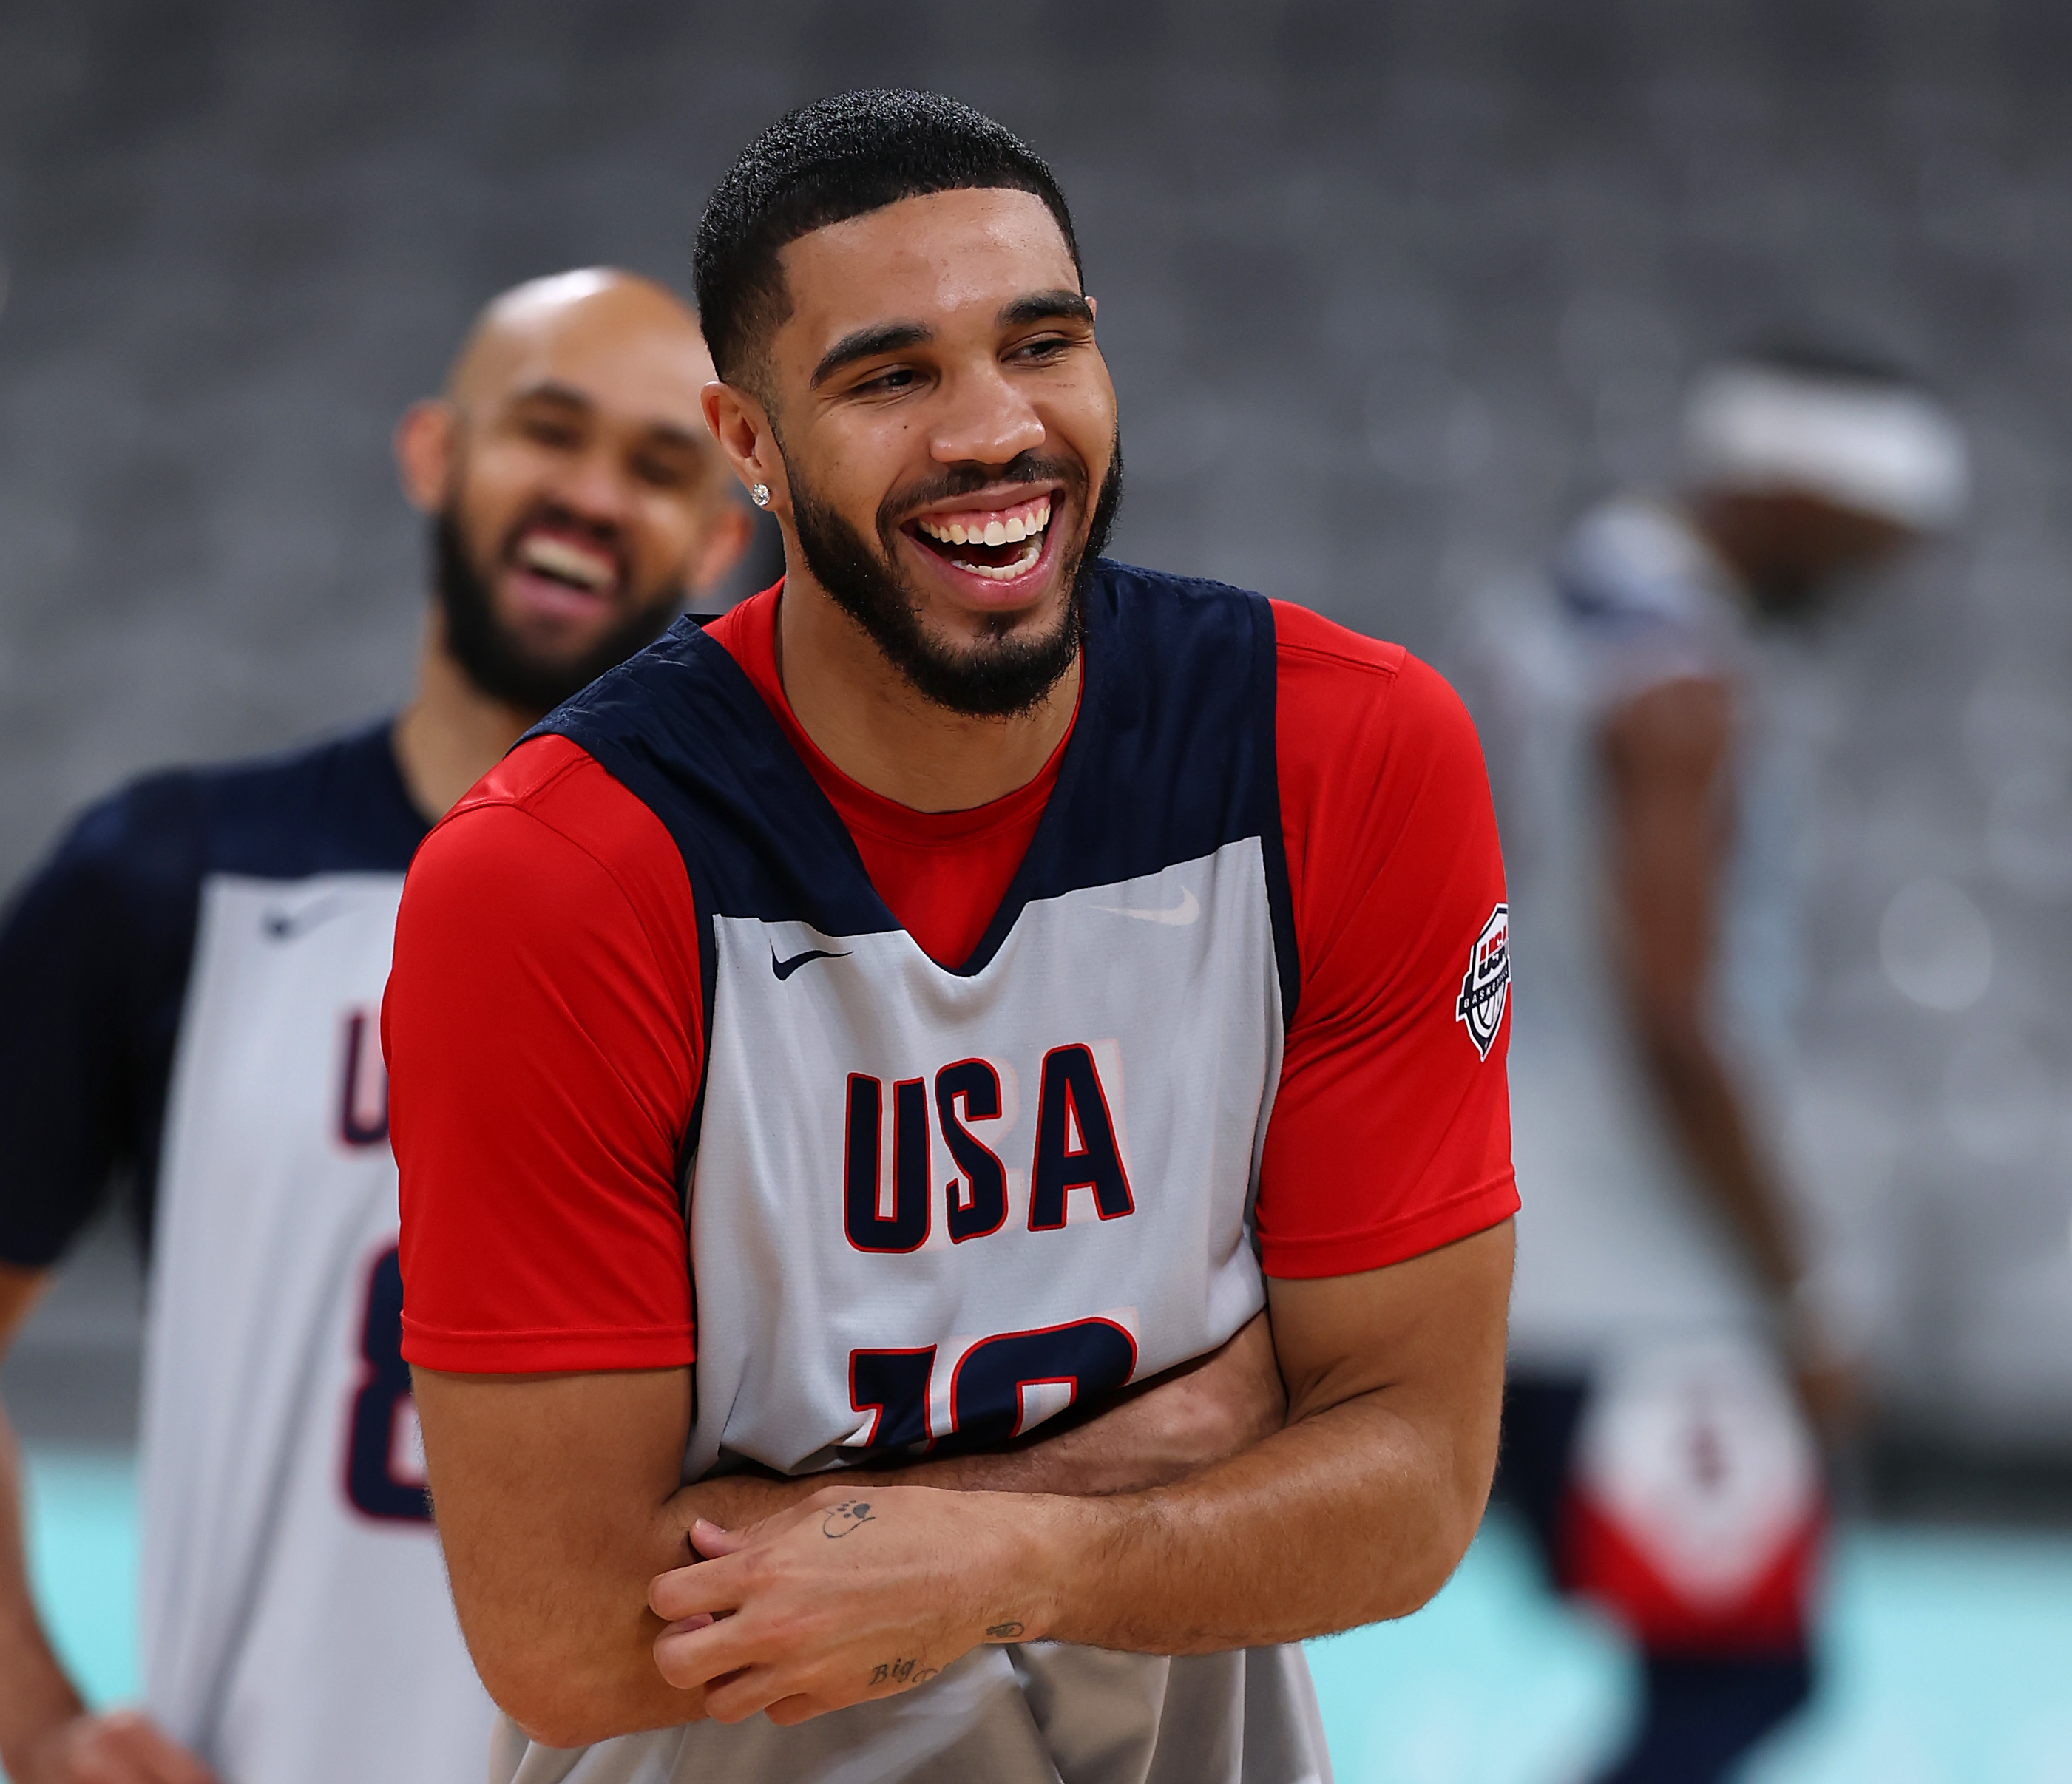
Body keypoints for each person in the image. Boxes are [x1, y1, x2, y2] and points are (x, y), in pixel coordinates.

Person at [385, 90, 1520, 1784]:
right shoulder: (557, 875)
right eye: (892, 374)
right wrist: (1199, 1430)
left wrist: (1006, 1556)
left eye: (1042, 343)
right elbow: (563, 1631)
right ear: (750, 446)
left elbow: (1414, 1487)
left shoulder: (1345, 753)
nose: (996, 430)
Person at [0, 268, 753, 1784]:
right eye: (547, 432)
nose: (592, 495)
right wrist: (39, 1725)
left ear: (724, 538)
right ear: (433, 454)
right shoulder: (169, 877)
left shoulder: (786, 924)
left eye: (659, 466)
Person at [1461, 348, 1967, 1784]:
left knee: (1729, 1675)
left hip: (1502, 1218)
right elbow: (1677, 1019)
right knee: (1749, 1676)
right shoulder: (1677, 679)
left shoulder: (1551, 613)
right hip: (1634, 1278)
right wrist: (1804, 1291)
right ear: (1789, 493)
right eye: (1863, 546)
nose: (1868, 586)